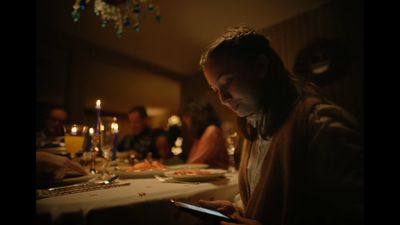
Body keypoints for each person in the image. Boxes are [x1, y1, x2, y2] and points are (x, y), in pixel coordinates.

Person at [197, 24, 363, 225]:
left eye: (227, 81)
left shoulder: (319, 123)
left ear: (260, 66)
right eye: (216, 89)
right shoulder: (254, 126)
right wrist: (239, 209)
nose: (223, 98)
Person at [181, 99, 229, 169]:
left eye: (187, 118)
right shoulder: (200, 134)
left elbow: (194, 164)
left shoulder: (212, 130)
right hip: (207, 177)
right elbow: (190, 162)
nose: (187, 125)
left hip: (217, 178)